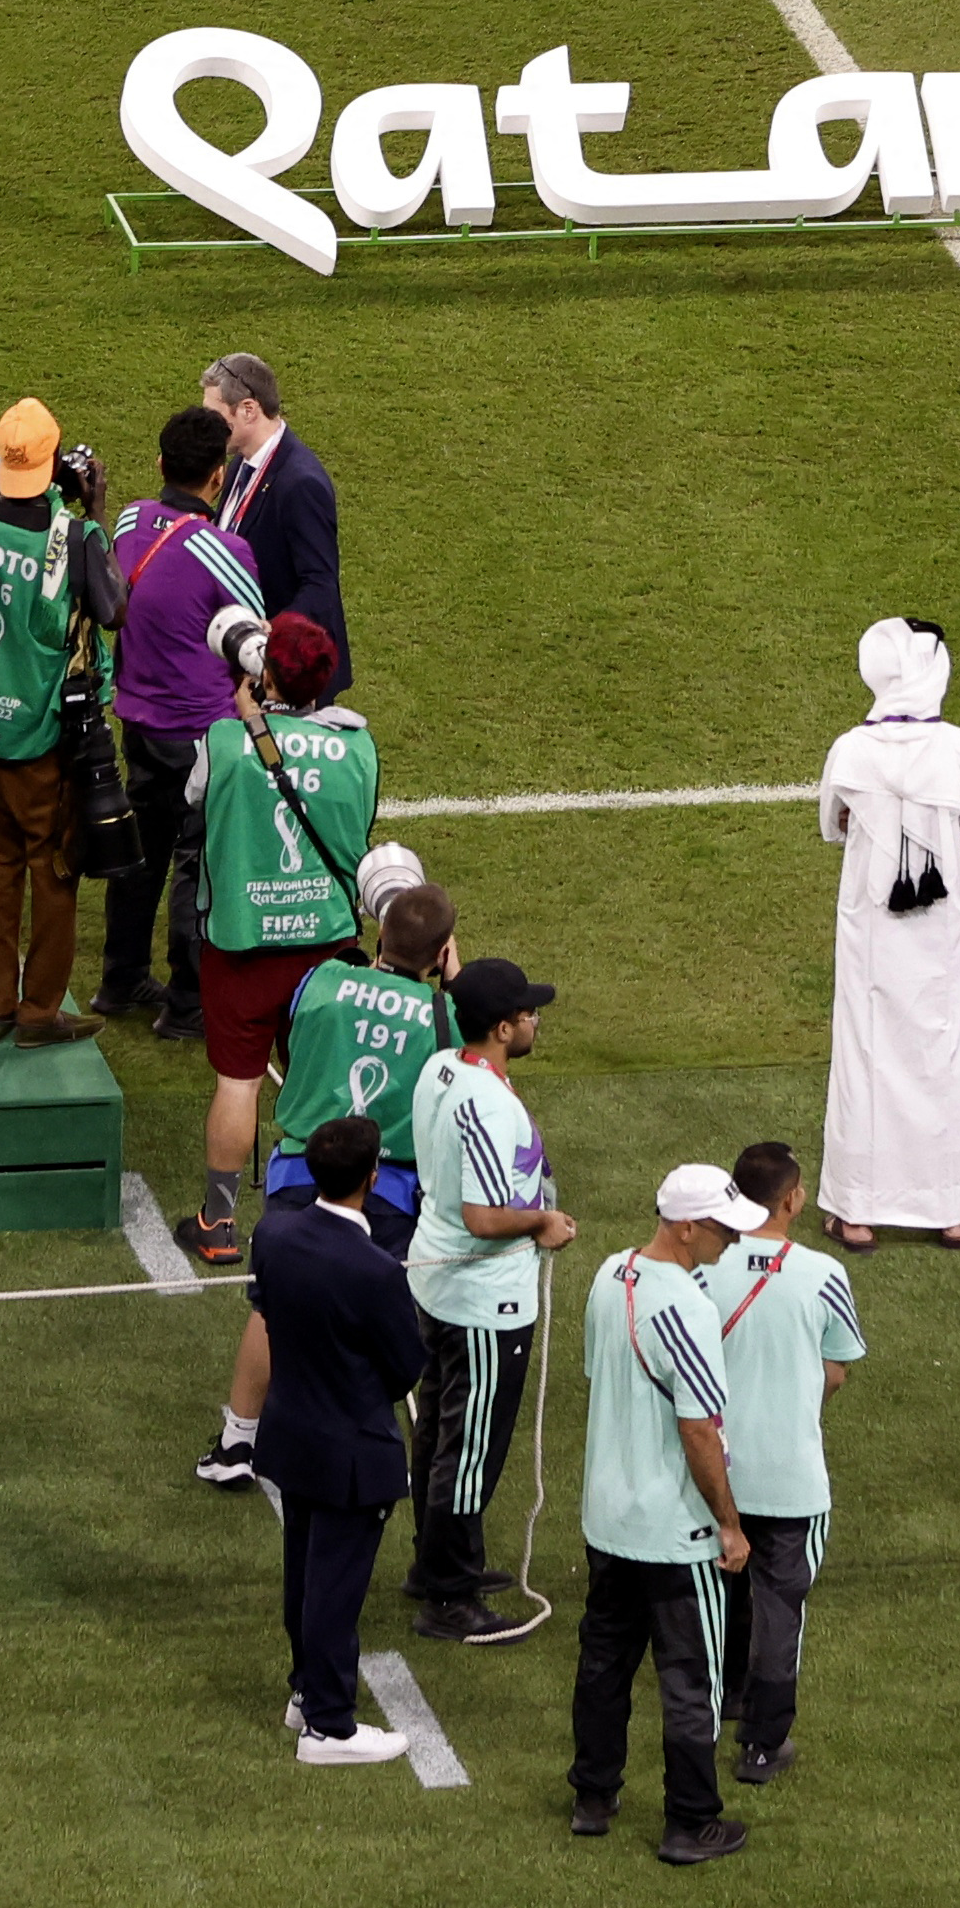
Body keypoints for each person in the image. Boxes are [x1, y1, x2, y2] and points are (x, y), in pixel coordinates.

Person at [205, 870, 459, 1492]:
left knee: (273, 1305)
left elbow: (294, 1044)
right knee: (375, 1313)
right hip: (388, 1188)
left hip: (301, 1168)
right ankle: (353, 1435)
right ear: (442, 952)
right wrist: (452, 980)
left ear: (380, 931)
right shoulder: (444, 1014)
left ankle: (238, 1439)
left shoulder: (320, 979)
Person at [571, 1165, 761, 1867]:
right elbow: (699, 1431)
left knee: (603, 1663)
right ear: (686, 1226)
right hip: (673, 1534)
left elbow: (601, 1374)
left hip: (607, 1518)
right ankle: (691, 1819)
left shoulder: (609, 1274)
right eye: (721, 1227)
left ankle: (593, 1795)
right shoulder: (688, 1308)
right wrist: (731, 1525)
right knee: (691, 1681)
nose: (732, 1239)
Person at [184, 612, 374, 1262]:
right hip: (326, 941)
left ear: (265, 673)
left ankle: (219, 1222)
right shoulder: (360, 746)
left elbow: (194, 800)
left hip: (241, 943)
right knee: (320, 1079)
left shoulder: (224, 739)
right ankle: (337, 1211)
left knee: (238, 1081)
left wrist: (248, 720)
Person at [0, 399, 118, 1043]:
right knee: (54, 873)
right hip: (44, 739)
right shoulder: (70, 535)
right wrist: (94, 512)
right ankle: (38, 1011)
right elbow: (113, 607)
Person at [407, 952, 573, 1645]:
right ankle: (447, 1594)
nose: (537, 1019)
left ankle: (443, 1561)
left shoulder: (440, 1066)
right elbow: (482, 1215)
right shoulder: (488, 1102)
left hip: (438, 1283)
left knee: (440, 1436)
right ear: (502, 1028)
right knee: (469, 1449)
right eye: (529, 1013)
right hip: (482, 1302)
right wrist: (541, 1222)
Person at [252, 1112, 427, 1766]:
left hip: (293, 1429)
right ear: (373, 1177)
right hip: (353, 1444)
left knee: (304, 1571)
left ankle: (307, 1689)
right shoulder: (375, 1270)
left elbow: (267, 1307)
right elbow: (407, 1365)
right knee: (333, 1584)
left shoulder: (273, 1232)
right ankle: (328, 1724)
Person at [817, 617, 960, 1249]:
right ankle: (951, 1210)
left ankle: (856, 1211)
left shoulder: (851, 748)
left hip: (870, 920)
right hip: (941, 925)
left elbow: (833, 826)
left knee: (865, 1050)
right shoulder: (958, 745)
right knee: (943, 1048)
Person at [106, 406, 265, 1031]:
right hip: (200, 733)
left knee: (140, 850)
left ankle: (119, 981)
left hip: (137, 719)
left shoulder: (128, 521)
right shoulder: (226, 550)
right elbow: (256, 638)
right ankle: (187, 1002)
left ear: (160, 465)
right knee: (196, 863)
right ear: (218, 476)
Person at [710, 1138, 862, 1782]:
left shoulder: (702, 1266)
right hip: (790, 1475)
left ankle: (725, 1697)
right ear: (793, 1199)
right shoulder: (822, 1274)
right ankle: (762, 1745)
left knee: (722, 1590)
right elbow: (835, 1372)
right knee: (780, 1606)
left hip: (713, 1471)